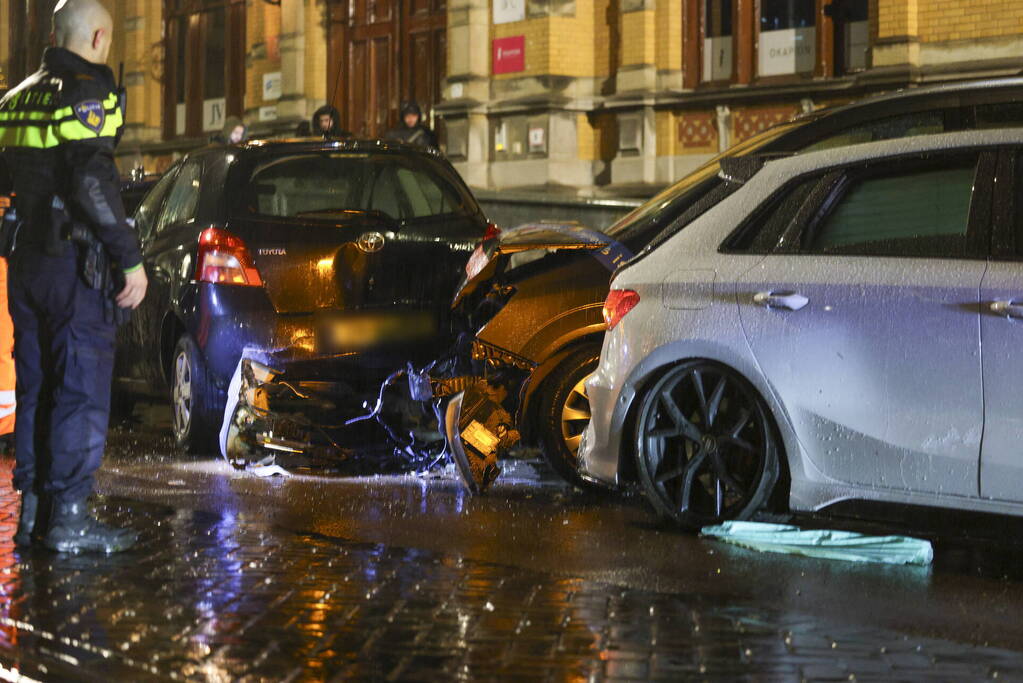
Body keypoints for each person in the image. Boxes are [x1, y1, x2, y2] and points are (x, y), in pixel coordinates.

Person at [0, 0, 147, 553]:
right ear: (100, 37)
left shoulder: (15, 99)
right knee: (79, 388)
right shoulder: (89, 92)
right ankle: (69, 519)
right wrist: (129, 259)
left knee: (37, 388)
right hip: (73, 266)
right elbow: (91, 179)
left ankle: (34, 515)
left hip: (26, 262)